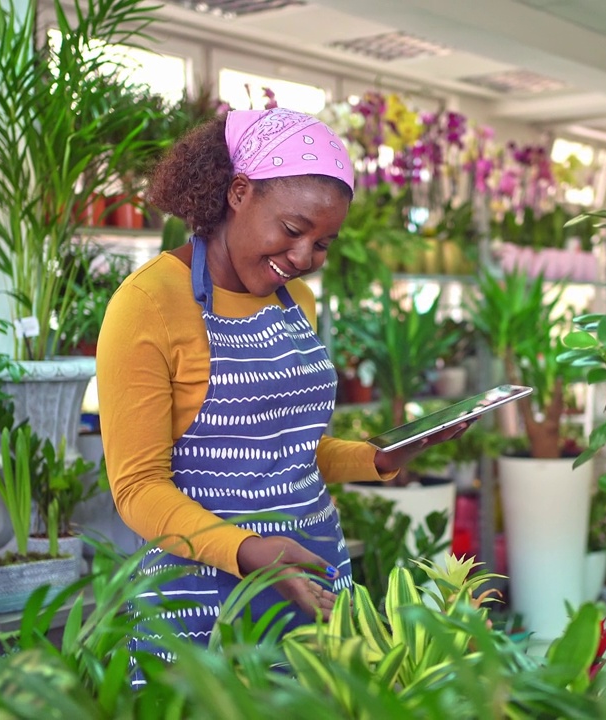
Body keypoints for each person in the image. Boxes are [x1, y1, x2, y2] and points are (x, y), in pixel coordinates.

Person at [96, 107, 466, 683]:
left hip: (312, 575)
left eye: (323, 244)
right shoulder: (147, 305)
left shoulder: (298, 305)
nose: (302, 260)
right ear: (238, 193)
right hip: (203, 595)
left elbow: (288, 451)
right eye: (293, 231)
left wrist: (377, 458)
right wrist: (252, 554)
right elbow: (138, 489)